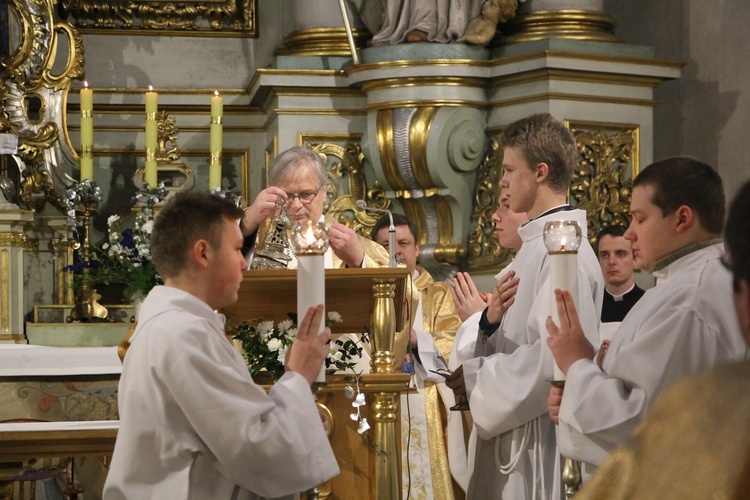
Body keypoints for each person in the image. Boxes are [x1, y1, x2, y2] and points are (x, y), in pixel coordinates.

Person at [103, 192, 339, 499]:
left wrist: (298, 415)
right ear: (202, 254)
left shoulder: (174, 326)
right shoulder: (183, 335)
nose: (244, 264)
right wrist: (297, 378)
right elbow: (254, 449)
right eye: (237, 249)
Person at [546, 157, 748, 485]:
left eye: (640, 219)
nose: (628, 234)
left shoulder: (689, 299)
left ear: (682, 218)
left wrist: (578, 366)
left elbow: (643, 425)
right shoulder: (683, 284)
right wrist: (587, 382)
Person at [445, 113, 604, 499]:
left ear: (540, 172)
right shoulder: (532, 247)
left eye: (509, 169)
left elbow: (556, 359)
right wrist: (484, 332)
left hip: (537, 445)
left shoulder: (564, 249)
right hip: (513, 432)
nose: (501, 180)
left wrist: (479, 376)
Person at [372, 212, 463, 499]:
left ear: (416, 248)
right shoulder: (365, 290)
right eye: (386, 246)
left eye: (402, 243)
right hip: (377, 401)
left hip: (426, 403)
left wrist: (415, 340)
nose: (396, 251)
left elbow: (452, 347)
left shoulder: (438, 294)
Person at [446, 188, 527, 491]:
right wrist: (486, 319)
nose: (494, 216)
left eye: (506, 206)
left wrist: (475, 319)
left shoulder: (530, 272)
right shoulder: (516, 271)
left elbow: (526, 357)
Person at [240, 146, 389, 270]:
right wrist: (245, 225)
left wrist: (358, 261)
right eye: (287, 195)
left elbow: (407, 292)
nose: (296, 205)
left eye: (306, 194)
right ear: (271, 189)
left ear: (324, 191)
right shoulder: (255, 232)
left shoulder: (349, 243)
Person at [596, 224, 644, 324]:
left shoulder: (649, 303)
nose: (611, 261)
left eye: (620, 254)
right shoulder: (592, 306)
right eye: (604, 255)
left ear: (635, 260)